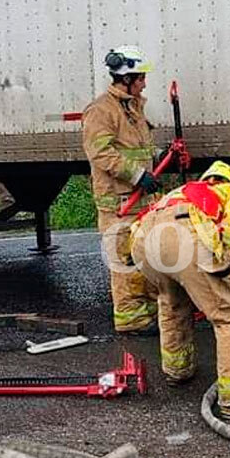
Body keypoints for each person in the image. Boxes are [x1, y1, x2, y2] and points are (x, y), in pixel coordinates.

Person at [130, 161, 230, 419]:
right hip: (184, 235)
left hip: (143, 239)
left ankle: (177, 371)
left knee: (172, 301)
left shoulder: (181, 191)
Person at [82, 45, 160, 334]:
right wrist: (138, 175)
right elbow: (100, 153)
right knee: (124, 263)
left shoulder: (133, 107)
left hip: (139, 200)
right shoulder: (101, 110)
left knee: (143, 258)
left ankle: (148, 314)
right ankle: (131, 320)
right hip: (119, 203)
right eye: (140, 77)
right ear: (125, 78)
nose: (144, 82)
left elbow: (134, 147)